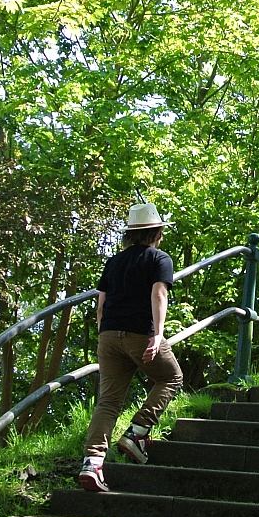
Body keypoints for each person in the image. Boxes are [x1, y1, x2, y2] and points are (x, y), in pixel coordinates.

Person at [79, 202, 184, 492]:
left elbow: (101, 304)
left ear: (130, 235)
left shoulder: (113, 262)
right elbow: (159, 293)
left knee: (109, 401)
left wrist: (105, 334)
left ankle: (92, 463)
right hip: (141, 333)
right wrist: (158, 334)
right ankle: (137, 433)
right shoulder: (159, 258)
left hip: (109, 334)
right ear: (157, 232)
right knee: (171, 377)